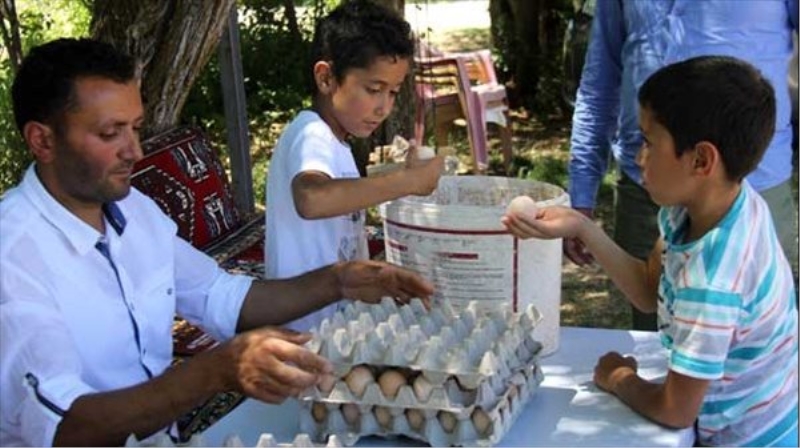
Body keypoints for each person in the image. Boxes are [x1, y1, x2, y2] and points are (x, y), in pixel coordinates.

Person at [0, 37, 436, 447]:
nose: (134, 150)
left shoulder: (134, 211)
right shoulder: (14, 255)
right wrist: (214, 371)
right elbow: (66, 427)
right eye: (110, 134)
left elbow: (219, 296)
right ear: (42, 140)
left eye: (135, 127)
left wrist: (339, 280)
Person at [504, 56, 798, 447]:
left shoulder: (711, 279)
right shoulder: (718, 202)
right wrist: (581, 226)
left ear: (701, 160)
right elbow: (648, 290)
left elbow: (676, 411)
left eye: (648, 141)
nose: (638, 156)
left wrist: (619, 378)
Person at [567, 0, 800, 330]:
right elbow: (600, 80)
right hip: (648, 188)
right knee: (657, 332)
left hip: (756, 187)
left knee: (755, 342)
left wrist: (625, 383)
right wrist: (581, 193)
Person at [265, 0, 444, 331]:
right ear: (326, 78)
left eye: (393, 92)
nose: (384, 108)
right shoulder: (311, 134)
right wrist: (407, 181)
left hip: (335, 322)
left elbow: (340, 197)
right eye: (374, 90)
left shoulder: (337, 142)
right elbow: (312, 198)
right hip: (307, 327)